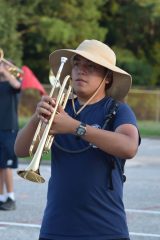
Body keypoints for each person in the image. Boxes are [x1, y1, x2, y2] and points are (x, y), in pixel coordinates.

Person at [14, 39, 140, 240]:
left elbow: (129, 146)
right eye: (77, 64)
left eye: (90, 66)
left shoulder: (116, 110)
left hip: (106, 229)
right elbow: (20, 150)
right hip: (56, 227)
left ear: (107, 77)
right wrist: (37, 117)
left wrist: (74, 127)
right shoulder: (60, 107)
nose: (81, 71)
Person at [0, 59, 21, 211]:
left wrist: (4, 70)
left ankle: (11, 197)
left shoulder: (13, 82)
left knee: (7, 165)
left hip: (9, 129)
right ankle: (1, 198)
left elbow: (17, 84)